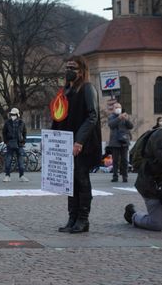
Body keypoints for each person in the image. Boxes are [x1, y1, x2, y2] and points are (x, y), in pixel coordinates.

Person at [50, 55, 102, 233]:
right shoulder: (65, 91)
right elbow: (58, 117)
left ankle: (83, 219)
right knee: (70, 182)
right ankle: (72, 218)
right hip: (66, 142)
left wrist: (79, 141)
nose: (69, 71)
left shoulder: (87, 89)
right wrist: (51, 141)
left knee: (81, 180)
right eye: (67, 67)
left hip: (82, 143)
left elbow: (92, 116)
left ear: (81, 71)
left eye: (73, 68)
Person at [106, 103, 133, 183]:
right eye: (116, 107)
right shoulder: (111, 117)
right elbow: (111, 125)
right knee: (115, 160)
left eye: (119, 107)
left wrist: (127, 119)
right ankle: (115, 176)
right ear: (113, 109)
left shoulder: (125, 116)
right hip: (115, 141)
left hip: (124, 141)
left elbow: (131, 126)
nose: (118, 108)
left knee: (124, 160)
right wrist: (119, 118)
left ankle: (125, 176)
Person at [2, 108, 28, 182]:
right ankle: (7, 175)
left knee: (21, 161)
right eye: (11, 114)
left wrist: (24, 141)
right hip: (10, 143)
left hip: (19, 144)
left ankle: (22, 175)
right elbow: (4, 132)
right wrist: (6, 141)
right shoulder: (7, 122)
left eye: (14, 114)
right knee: (8, 160)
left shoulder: (22, 123)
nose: (12, 116)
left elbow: (25, 132)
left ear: (17, 115)